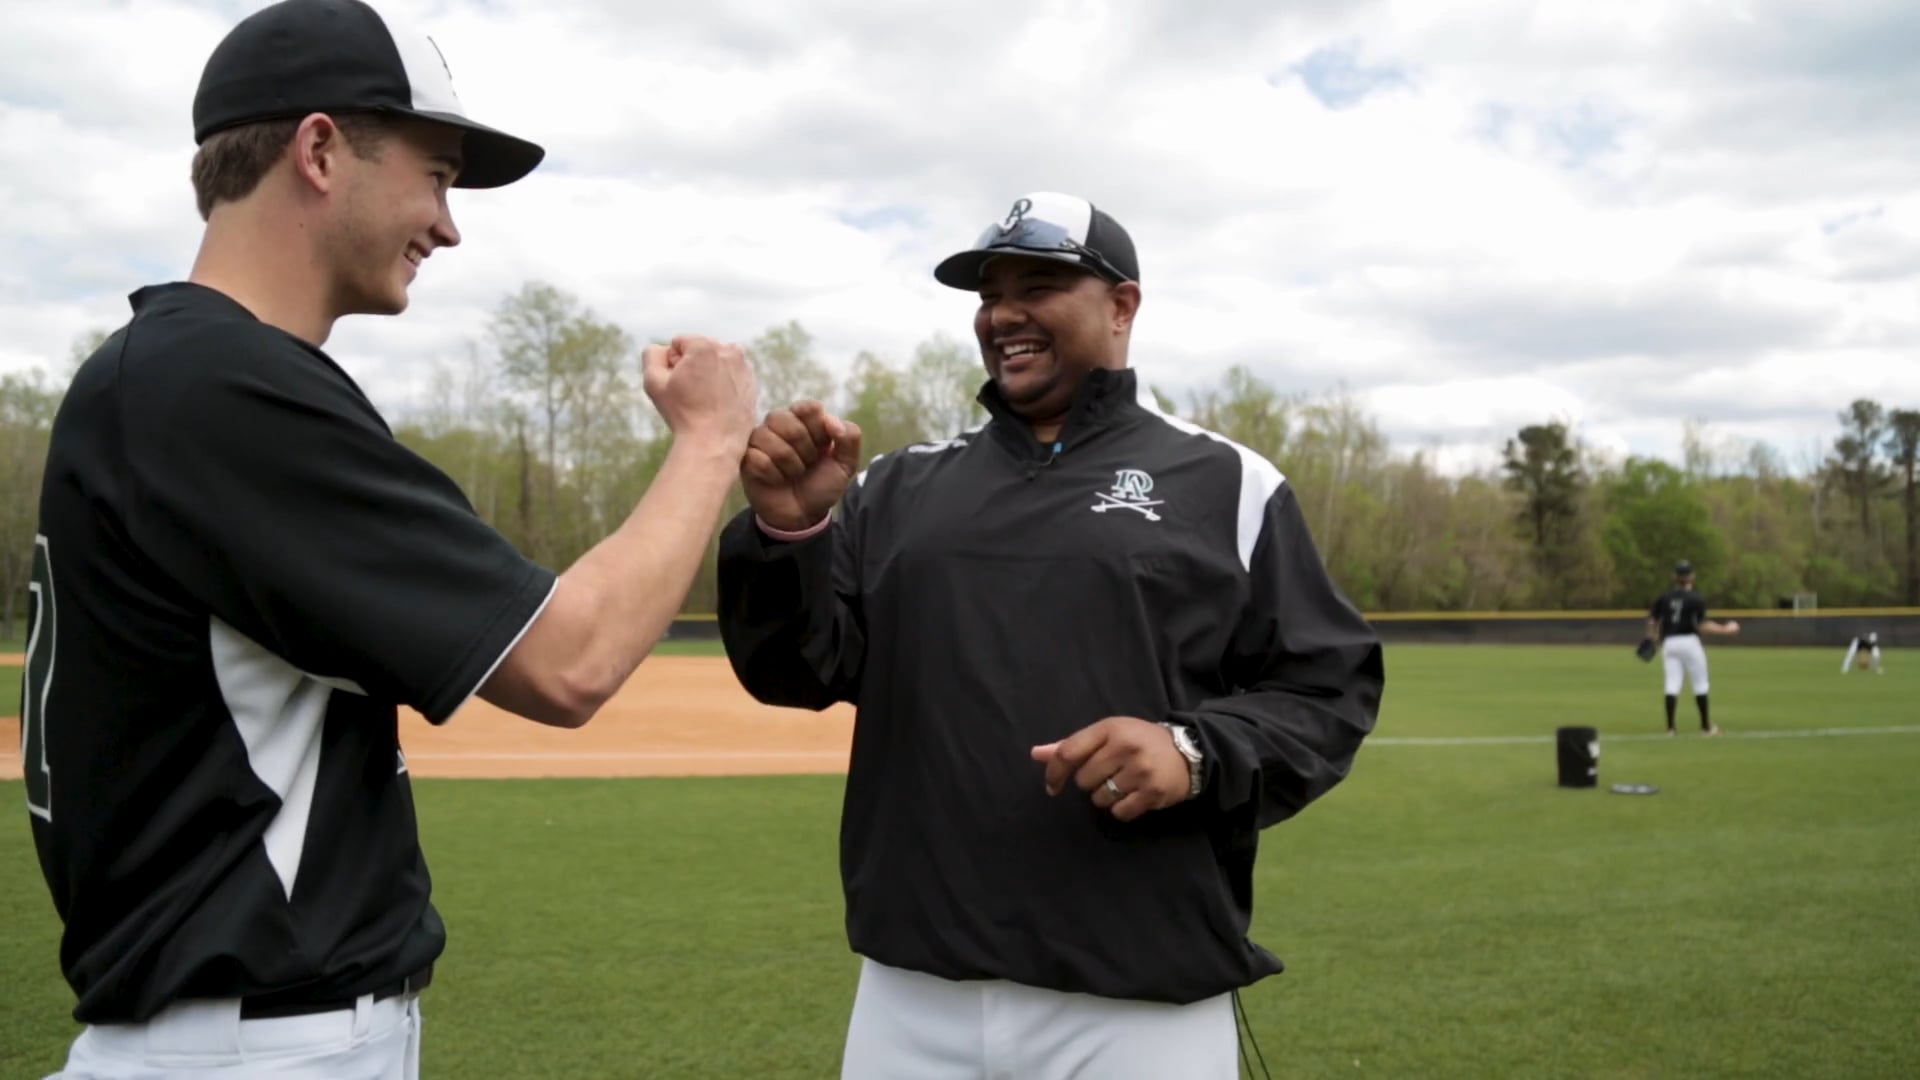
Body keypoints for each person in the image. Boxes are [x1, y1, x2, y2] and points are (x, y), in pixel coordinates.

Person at [21, 2, 757, 1076]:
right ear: (320, 150)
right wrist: (712, 436)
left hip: (234, 1034)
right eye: (437, 177)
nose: (449, 227)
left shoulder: (173, 374)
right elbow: (571, 659)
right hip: (257, 1048)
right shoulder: (218, 386)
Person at [715, 190, 1385, 1078]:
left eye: (1039, 286)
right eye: (990, 295)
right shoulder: (896, 489)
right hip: (913, 993)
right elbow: (793, 671)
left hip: (1139, 1001)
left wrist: (1194, 750)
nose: (1003, 315)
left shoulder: (1226, 482)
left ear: (1123, 306)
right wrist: (788, 534)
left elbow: (1327, 690)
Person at [1643, 559, 1740, 736]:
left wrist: (1652, 638)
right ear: (1691, 577)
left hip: (1669, 643)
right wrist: (1725, 629)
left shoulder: (1665, 597)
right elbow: (1702, 625)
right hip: (1689, 642)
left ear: (1675, 577)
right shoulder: (1696, 598)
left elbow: (1653, 620)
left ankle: (1670, 729)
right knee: (1700, 684)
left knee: (1672, 684)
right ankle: (1706, 727)